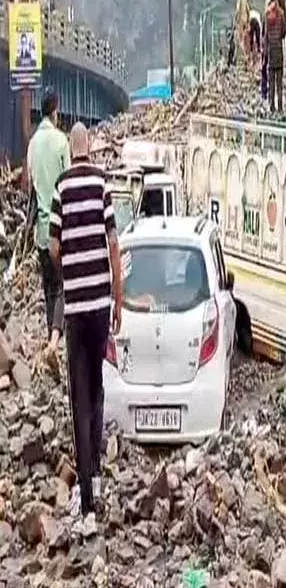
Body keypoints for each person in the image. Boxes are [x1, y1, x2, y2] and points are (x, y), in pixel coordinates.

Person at [50, 122, 123, 536]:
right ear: (89, 146)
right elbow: (114, 242)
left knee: (78, 395)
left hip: (77, 307)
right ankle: (94, 473)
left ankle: (88, 504)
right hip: (100, 305)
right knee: (96, 387)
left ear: (70, 149)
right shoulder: (101, 184)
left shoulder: (62, 188)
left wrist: (69, 269)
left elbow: (54, 244)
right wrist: (117, 297)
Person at [26, 90, 70, 351]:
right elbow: (67, 184)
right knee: (63, 284)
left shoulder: (32, 144)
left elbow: (30, 184)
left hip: (41, 233)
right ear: (55, 111)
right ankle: (55, 338)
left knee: (48, 287)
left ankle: (49, 335)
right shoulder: (60, 140)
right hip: (60, 229)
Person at [264, 0, 286, 112]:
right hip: (278, 48)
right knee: (279, 80)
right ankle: (280, 106)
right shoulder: (281, 13)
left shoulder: (267, 14)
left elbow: (265, 34)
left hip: (270, 50)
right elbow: (284, 32)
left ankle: (271, 105)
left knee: (271, 79)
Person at [234, 0, 250, 68]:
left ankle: (245, 57)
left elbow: (237, 8)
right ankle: (246, 56)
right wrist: (248, 20)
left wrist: (236, 18)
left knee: (240, 40)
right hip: (245, 18)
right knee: (244, 39)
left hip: (240, 20)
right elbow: (247, 8)